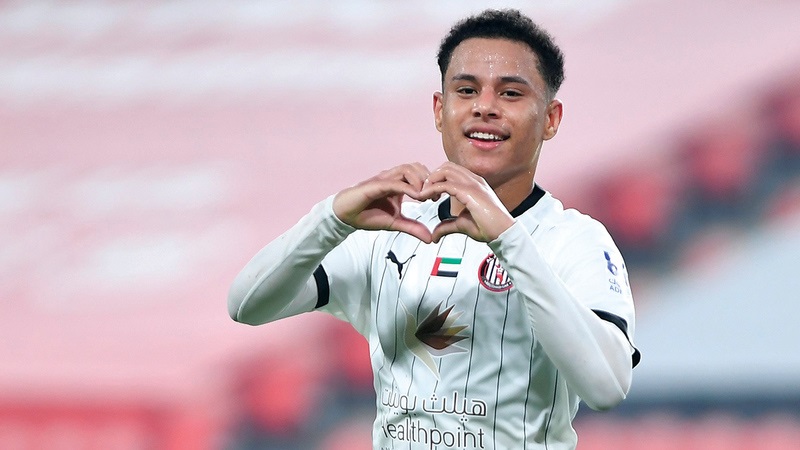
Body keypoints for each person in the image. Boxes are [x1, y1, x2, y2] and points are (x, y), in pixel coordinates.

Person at [228, 8, 640, 450]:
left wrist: (508, 239)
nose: (485, 107)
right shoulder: (388, 233)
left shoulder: (574, 240)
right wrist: (332, 218)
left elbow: (606, 387)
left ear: (551, 119)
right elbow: (246, 305)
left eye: (510, 93)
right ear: (440, 111)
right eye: (467, 90)